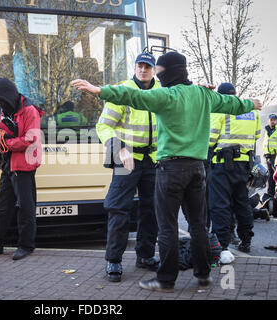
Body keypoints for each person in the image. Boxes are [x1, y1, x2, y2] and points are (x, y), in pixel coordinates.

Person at [72, 51, 262, 292]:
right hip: (145, 162)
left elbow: (131, 97)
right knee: (190, 222)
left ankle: (162, 273)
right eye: (141, 66)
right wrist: (250, 103)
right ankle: (119, 262)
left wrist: (99, 90)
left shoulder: (163, 95)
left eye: (154, 69)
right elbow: (229, 102)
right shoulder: (201, 93)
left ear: (159, 71)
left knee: (164, 222)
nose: (148, 72)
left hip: (164, 165)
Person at [95, 52, 161, 282]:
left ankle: (145, 255)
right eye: (139, 66)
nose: (143, 70)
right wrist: (120, 149)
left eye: (147, 66)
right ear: (135, 68)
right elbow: (103, 126)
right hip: (126, 158)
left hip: (153, 159)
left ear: (154, 70)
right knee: (119, 209)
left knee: (151, 210)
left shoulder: (162, 91)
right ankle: (114, 261)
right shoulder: (123, 91)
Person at [0, 78, 43, 260]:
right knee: (1, 207)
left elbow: (31, 139)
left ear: (7, 96)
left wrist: (5, 143)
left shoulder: (29, 111)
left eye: (0, 99)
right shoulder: (8, 109)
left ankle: (26, 246)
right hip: (8, 164)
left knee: (25, 208)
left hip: (23, 166)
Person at [207, 83, 260, 264]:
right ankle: (246, 240)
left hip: (222, 165)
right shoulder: (253, 112)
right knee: (242, 202)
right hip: (244, 164)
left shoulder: (220, 110)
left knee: (220, 204)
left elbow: (210, 138)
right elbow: (257, 135)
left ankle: (222, 245)